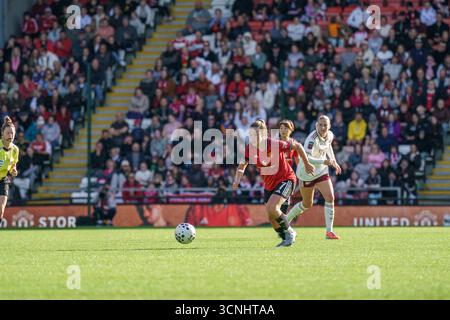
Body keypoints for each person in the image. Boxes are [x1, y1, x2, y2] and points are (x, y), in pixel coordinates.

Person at [232, 119, 315, 247]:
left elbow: (297, 146)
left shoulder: (273, 144)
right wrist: (237, 179)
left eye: (257, 134)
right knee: (272, 217)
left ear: (264, 134)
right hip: (269, 185)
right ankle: (285, 238)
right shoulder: (250, 148)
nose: (254, 137)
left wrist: (307, 163)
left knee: (272, 208)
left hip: (286, 179)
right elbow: (242, 165)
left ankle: (290, 233)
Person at [286, 115, 342, 240]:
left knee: (330, 197)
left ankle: (329, 232)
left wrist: (334, 161)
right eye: (320, 125)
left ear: (329, 126)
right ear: (316, 125)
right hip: (307, 172)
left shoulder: (330, 135)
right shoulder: (312, 139)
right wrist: (326, 162)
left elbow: (328, 146)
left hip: (321, 172)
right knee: (307, 204)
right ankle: (286, 220)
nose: (322, 127)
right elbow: (307, 158)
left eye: (325, 125)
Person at [0, 117, 19, 225]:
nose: (10, 136)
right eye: (7, 133)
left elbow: (13, 165)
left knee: (1, 211)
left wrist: (14, 170)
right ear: (2, 133)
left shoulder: (15, 149)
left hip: (3, 179)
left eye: (12, 133)